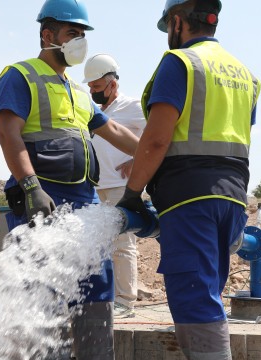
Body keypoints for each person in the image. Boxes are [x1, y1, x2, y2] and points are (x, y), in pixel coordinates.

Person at [116, 0, 261, 359]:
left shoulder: (180, 63)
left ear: (178, 21)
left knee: (195, 303)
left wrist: (132, 195)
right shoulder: (245, 74)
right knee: (207, 294)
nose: (168, 33)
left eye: (168, 25)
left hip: (188, 201)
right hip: (231, 200)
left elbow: (157, 139)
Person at [0, 0, 140, 358]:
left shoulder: (77, 91)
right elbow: (8, 134)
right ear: (48, 35)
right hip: (43, 202)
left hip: (85, 204)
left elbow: (115, 130)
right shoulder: (20, 75)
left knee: (97, 288)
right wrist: (31, 187)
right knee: (44, 299)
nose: (79, 41)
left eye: (82, 35)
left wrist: (151, 155)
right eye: (72, 33)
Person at [83, 53, 146, 318]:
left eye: (97, 87)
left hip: (122, 186)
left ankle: (125, 302)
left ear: (113, 84)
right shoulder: (93, 111)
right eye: (90, 87)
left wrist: (136, 158)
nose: (92, 91)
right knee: (100, 246)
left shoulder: (132, 107)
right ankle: (106, 299)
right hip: (96, 187)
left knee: (122, 243)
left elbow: (160, 134)